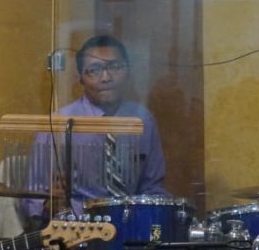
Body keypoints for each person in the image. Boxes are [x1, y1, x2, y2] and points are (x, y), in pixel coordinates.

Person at [25, 34, 167, 219]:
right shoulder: (57, 124)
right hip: (75, 228)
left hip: (130, 226)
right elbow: (31, 198)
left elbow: (153, 187)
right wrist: (48, 205)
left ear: (128, 71)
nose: (106, 77)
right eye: (94, 70)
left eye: (115, 67)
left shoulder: (143, 120)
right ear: (81, 78)